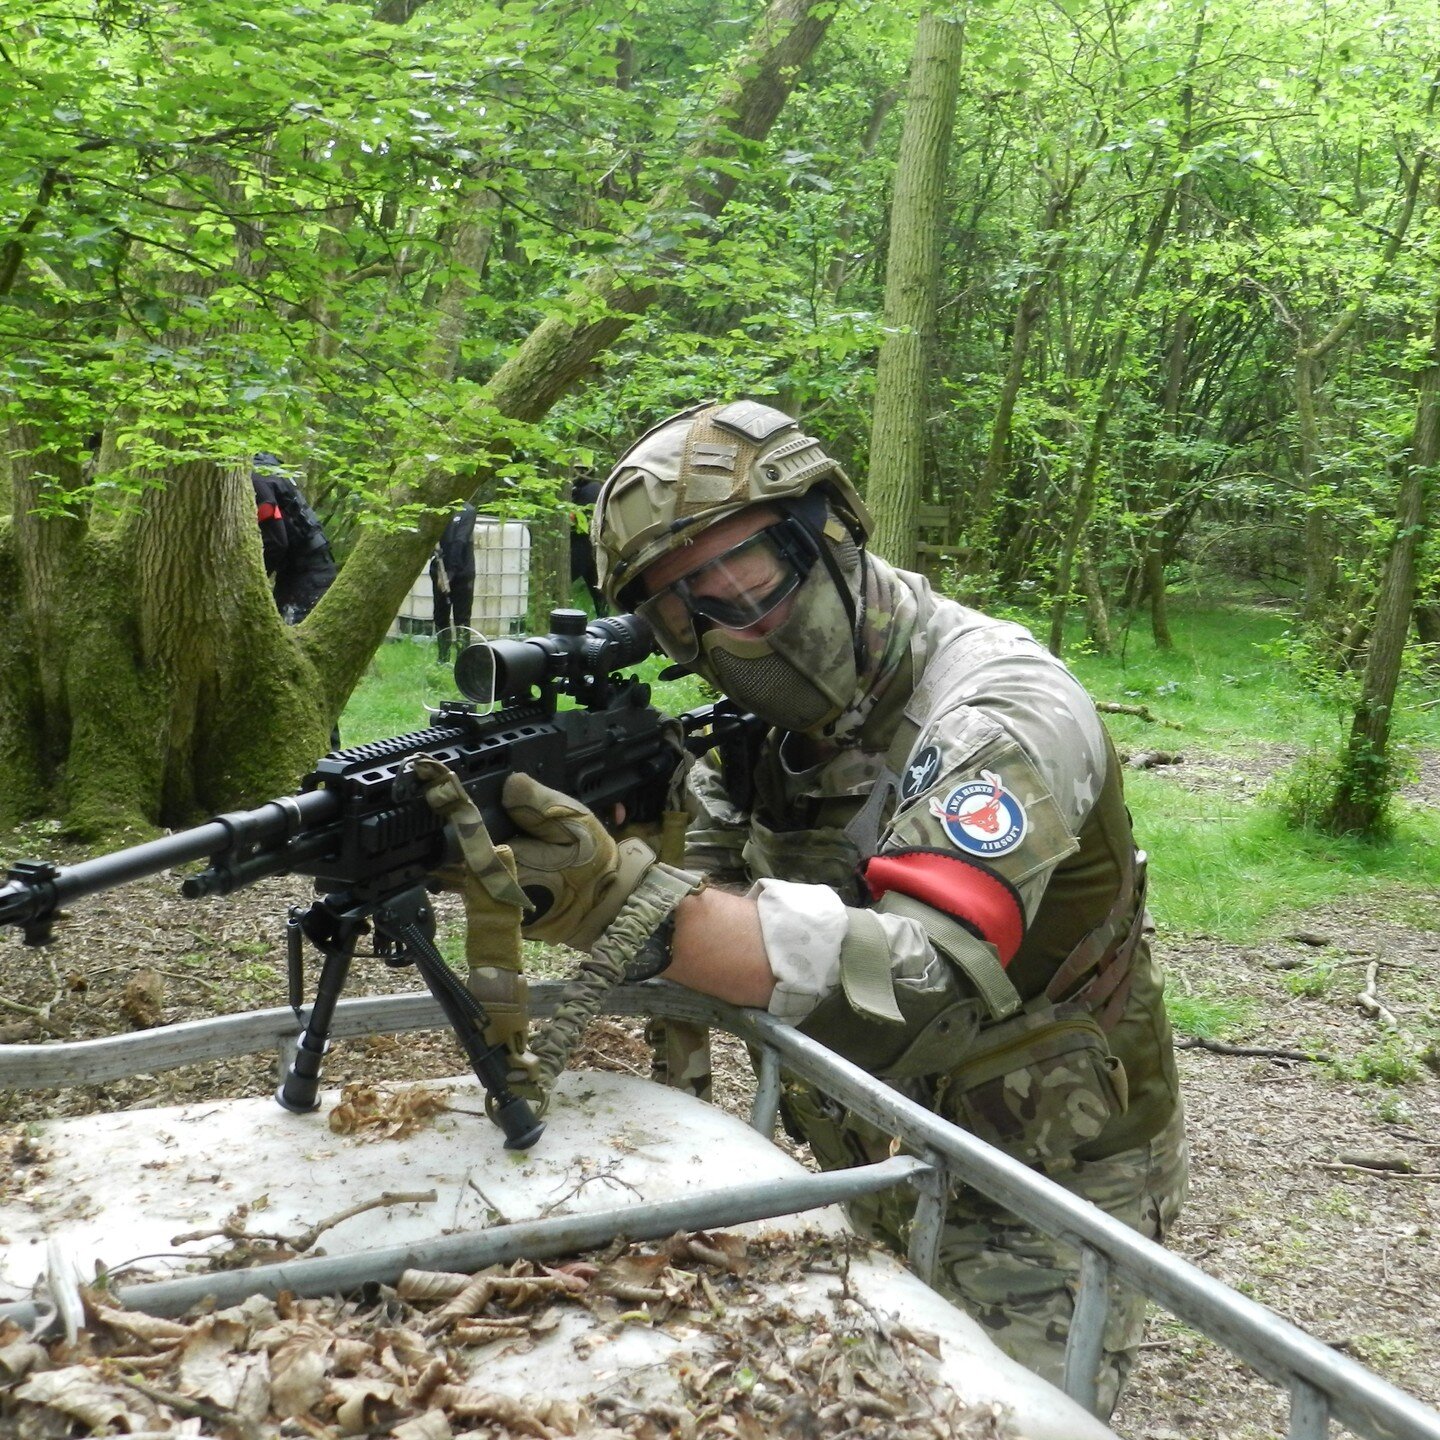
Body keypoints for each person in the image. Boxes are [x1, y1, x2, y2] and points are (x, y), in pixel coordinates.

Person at [486, 400, 1187, 1418]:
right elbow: (712, 909)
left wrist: (619, 898)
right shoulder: (758, 731)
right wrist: (618, 846)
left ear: (831, 528)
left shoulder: (999, 710)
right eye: (688, 605)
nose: (739, 614)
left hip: (1044, 1174)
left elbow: (925, 980)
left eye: (752, 567)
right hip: (867, 1141)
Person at [251, 454, 338, 624]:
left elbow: (276, 543)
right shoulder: (270, 470)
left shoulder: (256, 480)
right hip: (301, 572)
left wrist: (253, 584)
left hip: (307, 577)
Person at [430, 501, 478, 662]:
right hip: (439, 570)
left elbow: (460, 541)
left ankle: (463, 660)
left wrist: (450, 572)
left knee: (462, 618)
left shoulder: (468, 511)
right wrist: (439, 571)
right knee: (440, 616)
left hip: (463, 573)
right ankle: (443, 659)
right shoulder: (437, 509)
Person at [569, 474, 608, 615]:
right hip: (594, 546)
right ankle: (603, 620)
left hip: (582, 544)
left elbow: (579, 522)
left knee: (562, 582)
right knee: (598, 592)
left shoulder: (589, 490)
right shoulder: (596, 487)